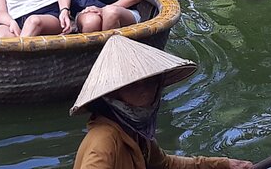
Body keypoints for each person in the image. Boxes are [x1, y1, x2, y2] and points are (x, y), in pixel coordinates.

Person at [70, 35, 253, 169]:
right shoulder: (103, 141)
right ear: (113, 93)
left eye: (149, 81)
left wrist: (223, 165)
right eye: (132, 84)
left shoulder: (137, 132)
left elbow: (165, 164)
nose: (144, 89)